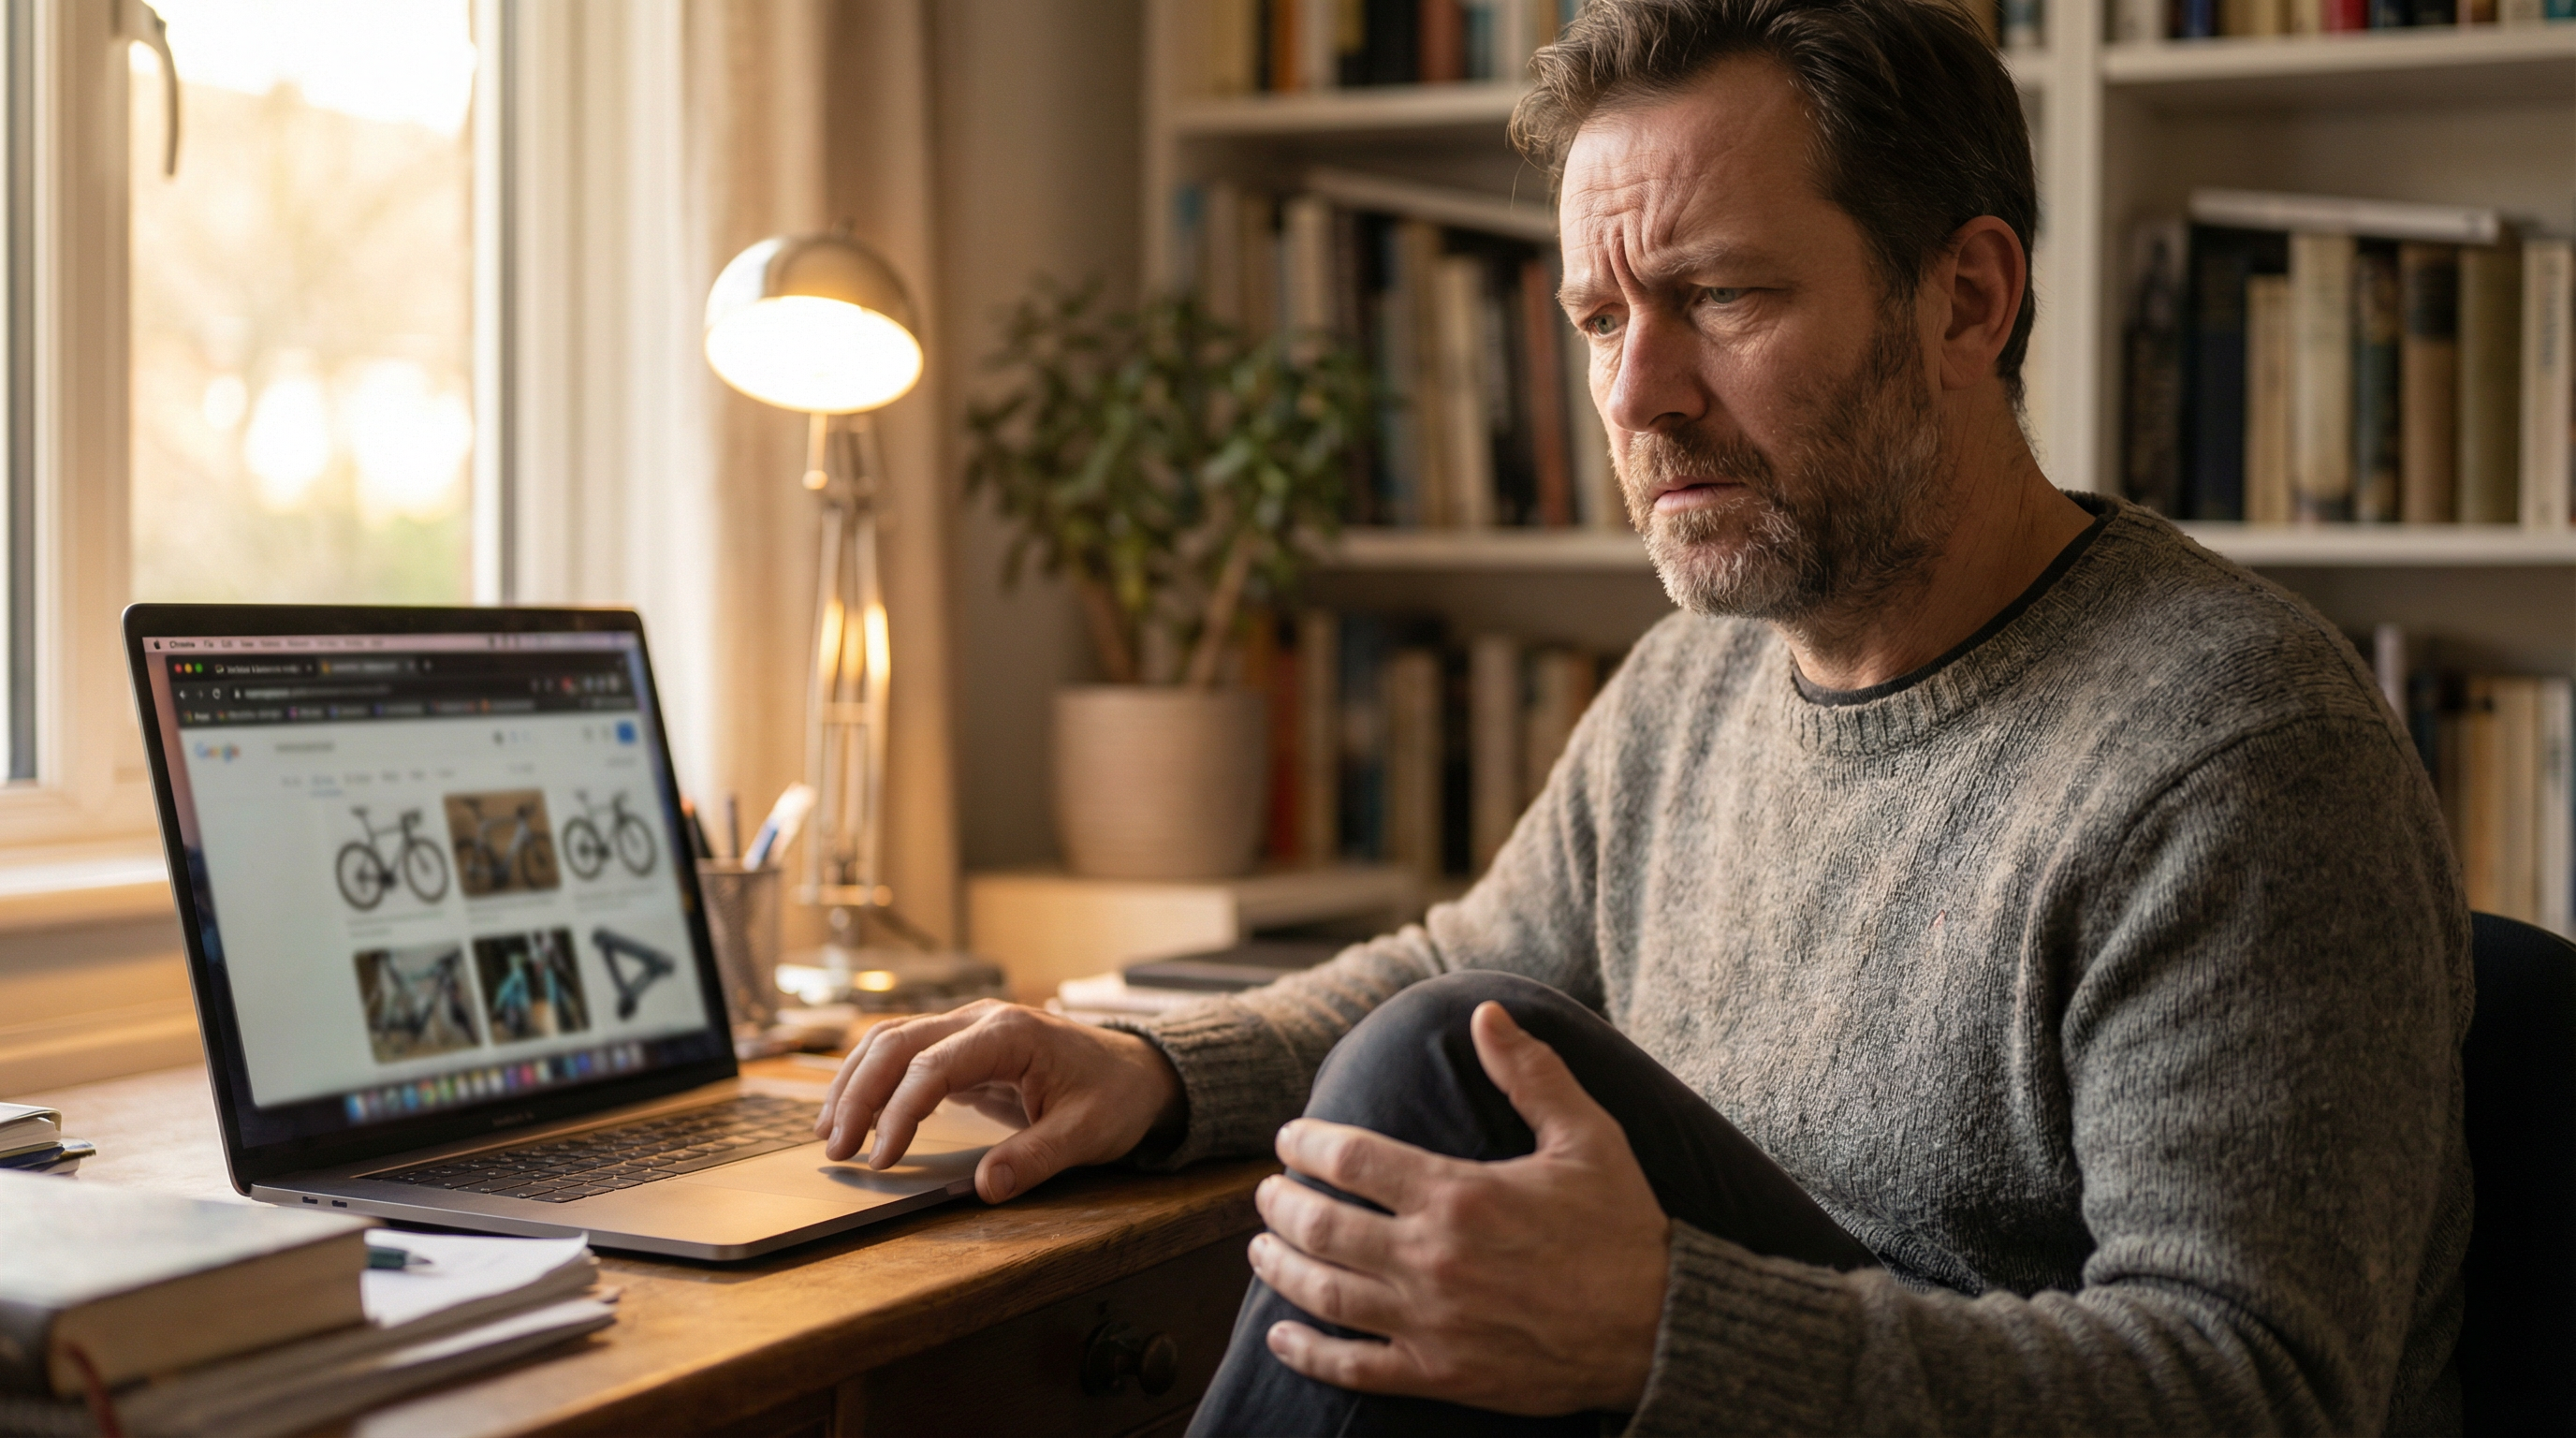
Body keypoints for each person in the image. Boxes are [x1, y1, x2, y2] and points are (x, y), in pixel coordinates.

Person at [814, 0, 2470, 1431]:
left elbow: (2257, 1392)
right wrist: (1151, 1069)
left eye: (1722, 299)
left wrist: (1664, 1328)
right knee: (1438, 1044)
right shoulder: (1697, 679)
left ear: (1967, 302)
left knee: (1427, 1078)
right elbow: (1478, 962)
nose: (1633, 395)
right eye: (1602, 319)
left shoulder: (2234, 756)